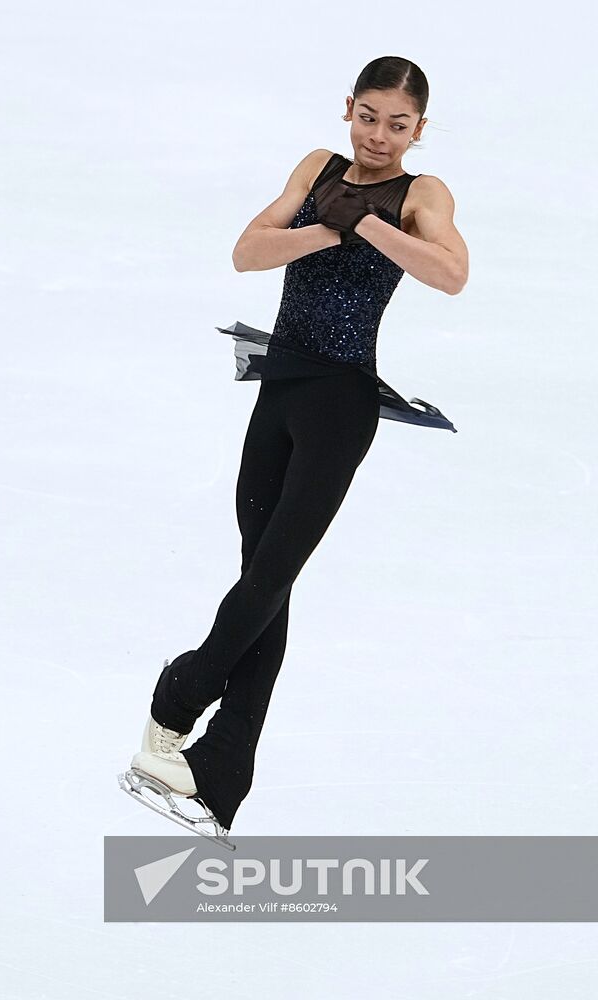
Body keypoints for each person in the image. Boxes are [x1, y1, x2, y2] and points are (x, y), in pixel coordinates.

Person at [128, 55, 469, 834]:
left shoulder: (422, 194)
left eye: (398, 123)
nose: (379, 135)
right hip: (278, 385)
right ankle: (218, 776)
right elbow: (248, 252)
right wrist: (325, 224)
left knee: (275, 567)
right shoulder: (317, 169)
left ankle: (179, 695)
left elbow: (450, 274)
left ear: (419, 128)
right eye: (369, 116)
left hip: (340, 403)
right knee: (262, 579)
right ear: (347, 108)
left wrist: (373, 223)